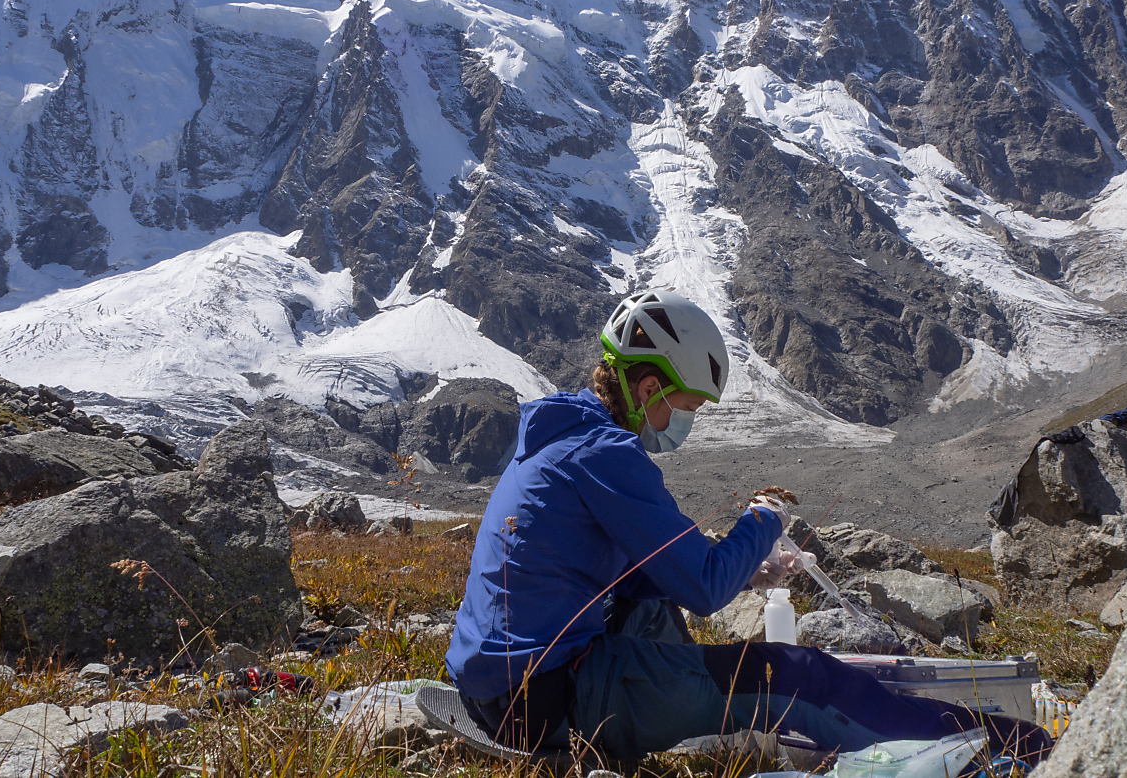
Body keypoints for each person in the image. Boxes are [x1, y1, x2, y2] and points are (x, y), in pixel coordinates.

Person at [445, 288, 1049, 765]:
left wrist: (749, 571)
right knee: (798, 676)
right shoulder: (605, 453)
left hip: (494, 689)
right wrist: (765, 517)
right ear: (649, 387)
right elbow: (705, 588)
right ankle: (1007, 745)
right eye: (685, 407)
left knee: (655, 609)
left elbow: (631, 577)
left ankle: (699, 710)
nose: (684, 423)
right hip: (544, 700)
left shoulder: (563, 436)